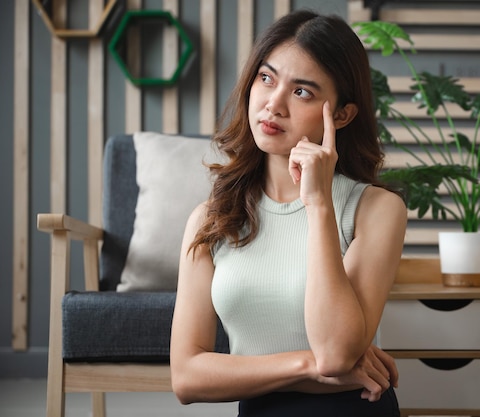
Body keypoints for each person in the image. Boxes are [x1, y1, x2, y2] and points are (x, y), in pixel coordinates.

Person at [170, 9, 407, 417]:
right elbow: (187, 378)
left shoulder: (375, 209)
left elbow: (335, 353)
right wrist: (306, 364)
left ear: (343, 115)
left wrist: (317, 205)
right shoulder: (211, 220)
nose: (273, 104)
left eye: (302, 92)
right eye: (266, 78)